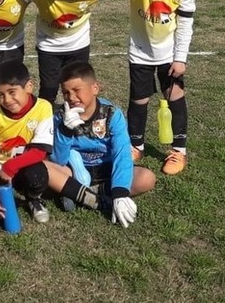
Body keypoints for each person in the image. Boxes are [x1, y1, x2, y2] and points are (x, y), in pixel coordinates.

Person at [113, 0, 196, 175]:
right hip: (140, 53)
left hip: (169, 56)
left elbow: (185, 26)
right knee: (138, 100)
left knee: (174, 99)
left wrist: (179, 59)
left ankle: (178, 152)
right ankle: (135, 145)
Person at [45, 61, 156, 227]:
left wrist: (120, 192)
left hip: (107, 170)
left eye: (77, 90)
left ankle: (77, 192)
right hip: (73, 170)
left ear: (95, 88)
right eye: (66, 93)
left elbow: (122, 153)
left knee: (147, 178)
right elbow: (59, 159)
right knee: (43, 168)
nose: (72, 98)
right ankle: (98, 201)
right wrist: (65, 131)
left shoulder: (112, 114)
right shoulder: (60, 116)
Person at [32, 0, 117, 103]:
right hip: (48, 46)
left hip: (78, 45)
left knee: (77, 88)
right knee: (48, 89)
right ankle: (46, 125)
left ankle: (78, 122)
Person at [0, 60, 54, 226]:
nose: (7, 100)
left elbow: (40, 151)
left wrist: (11, 167)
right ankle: (3, 195)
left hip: (21, 167)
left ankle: (33, 198)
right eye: (0, 95)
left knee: (37, 176)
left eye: (12, 92)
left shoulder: (43, 108)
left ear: (29, 86)